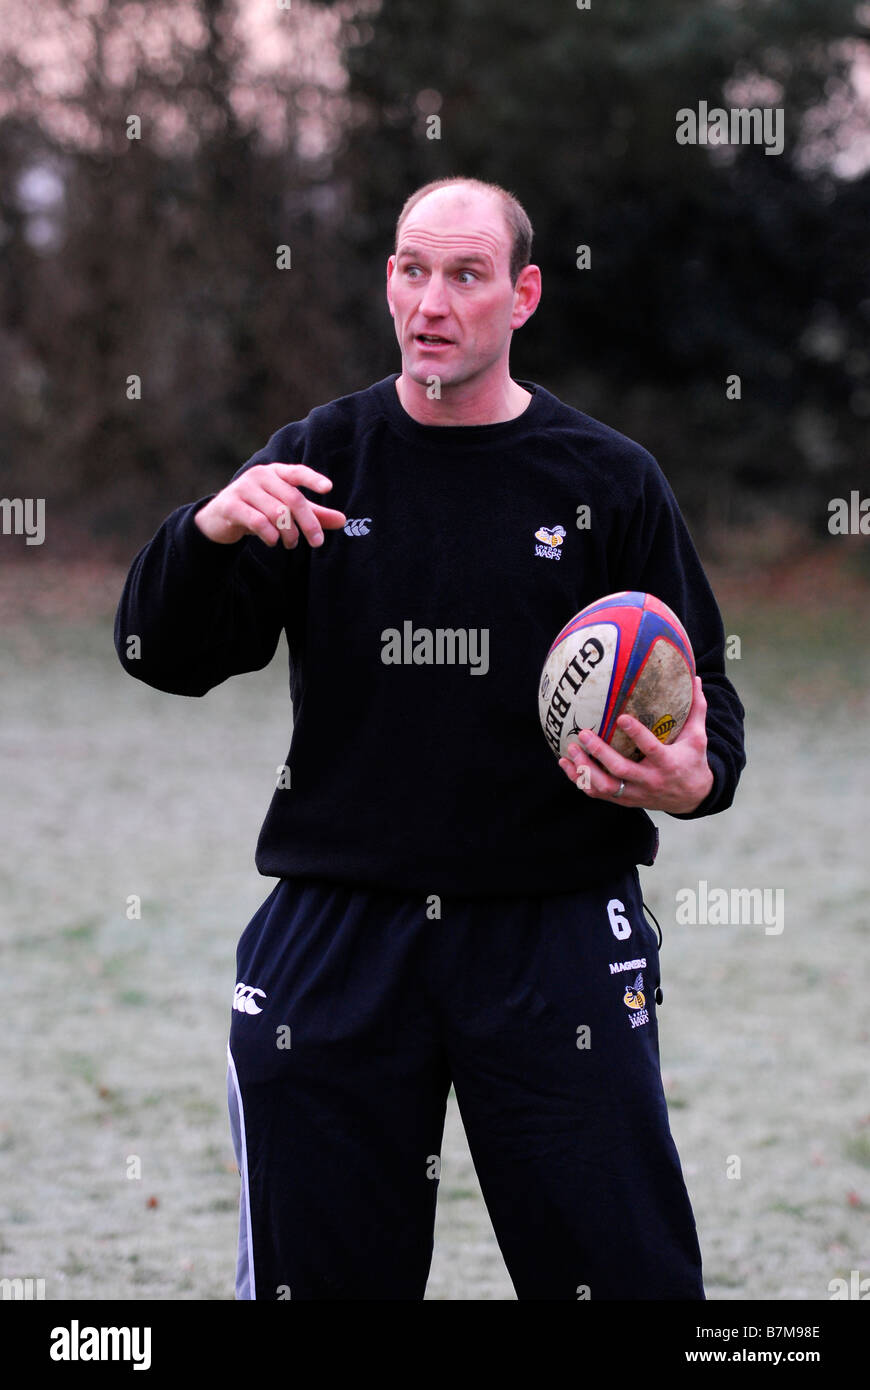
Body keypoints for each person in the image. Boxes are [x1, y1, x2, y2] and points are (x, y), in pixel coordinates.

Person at [114, 176, 745, 1301]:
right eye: (412, 269)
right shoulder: (317, 460)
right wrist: (205, 533)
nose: (432, 301)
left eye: (466, 274)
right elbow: (164, 654)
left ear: (524, 294)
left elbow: (710, 725)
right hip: (341, 935)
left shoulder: (607, 481)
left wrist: (692, 777)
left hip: (552, 937)